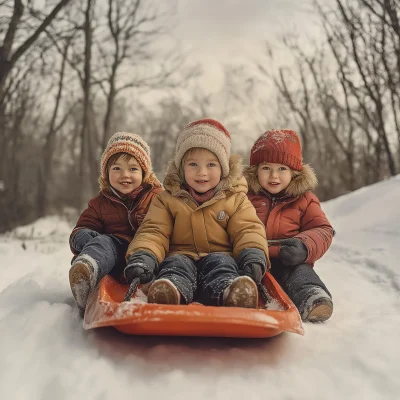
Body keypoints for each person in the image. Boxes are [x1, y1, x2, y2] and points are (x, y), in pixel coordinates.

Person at [123, 118, 269, 308]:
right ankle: (169, 292)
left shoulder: (236, 199)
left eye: (211, 165)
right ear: (182, 169)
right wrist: (144, 255)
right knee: (175, 267)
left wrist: (252, 254)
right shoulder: (166, 200)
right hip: (180, 255)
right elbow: (154, 231)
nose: (202, 172)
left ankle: (230, 292)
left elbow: (247, 229)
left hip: (220, 255)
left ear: (223, 168)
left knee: (223, 266)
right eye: (193, 164)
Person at [244, 129, 334, 322]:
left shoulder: (305, 200)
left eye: (282, 169)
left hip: (287, 260)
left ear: (294, 172)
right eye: (266, 168)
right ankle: (237, 294)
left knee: (300, 273)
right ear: (255, 171)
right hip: (250, 258)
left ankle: (312, 297)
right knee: (235, 271)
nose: (274, 176)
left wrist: (303, 246)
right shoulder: (243, 197)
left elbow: (323, 230)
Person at [69, 132, 162, 314]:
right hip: (114, 256)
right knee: (103, 242)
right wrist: (86, 237)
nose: (124, 175)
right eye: (117, 168)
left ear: (144, 173)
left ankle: (162, 286)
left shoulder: (157, 198)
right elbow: (82, 227)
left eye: (133, 169)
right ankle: (86, 272)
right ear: (106, 173)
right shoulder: (100, 202)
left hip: (149, 255)